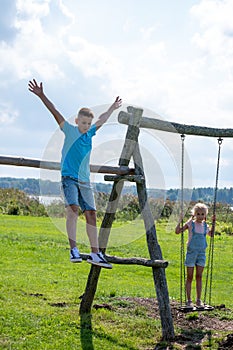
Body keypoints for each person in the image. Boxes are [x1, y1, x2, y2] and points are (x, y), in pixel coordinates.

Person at [28, 78, 122, 268]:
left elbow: (102, 118)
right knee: (73, 209)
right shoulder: (70, 130)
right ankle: (74, 250)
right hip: (69, 177)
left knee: (92, 214)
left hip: (85, 180)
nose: (86, 125)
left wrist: (112, 107)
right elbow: (55, 112)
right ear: (77, 121)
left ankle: (95, 254)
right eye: (83, 122)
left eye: (88, 123)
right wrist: (41, 95)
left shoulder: (90, 133)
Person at [175, 202, 215, 307]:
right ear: (194, 214)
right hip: (191, 254)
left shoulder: (205, 226)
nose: (200, 216)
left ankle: (198, 300)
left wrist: (214, 223)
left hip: (201, 254)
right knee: (189, 277)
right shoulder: (190, 224)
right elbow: (178, 231)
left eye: (202, 214)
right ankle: (189, 301)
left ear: (205, 215)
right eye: (198, 214)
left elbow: (212, 235)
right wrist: (180, 220)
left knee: (199, 276)